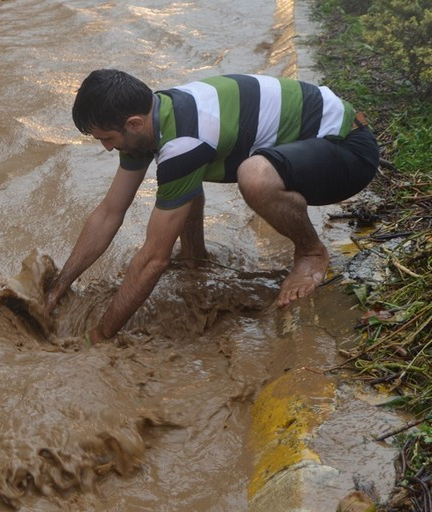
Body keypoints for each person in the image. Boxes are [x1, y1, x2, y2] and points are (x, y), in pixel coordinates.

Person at [45, 69, 379, 345]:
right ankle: (195, 261)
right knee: (180, 185)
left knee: (254, 177)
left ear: (132, 123)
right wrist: (60, 286)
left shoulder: (183, 141)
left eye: (106, 138)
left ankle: (310, 253)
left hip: (348, 153)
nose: (106, 148)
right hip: (309, 149)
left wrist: (99, 337)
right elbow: (109, 212)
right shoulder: (155, 115)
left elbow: (153, 259)